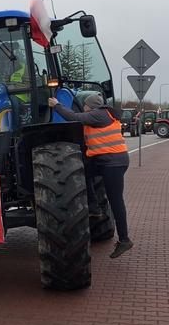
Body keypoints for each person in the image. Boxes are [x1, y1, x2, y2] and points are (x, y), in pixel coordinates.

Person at [48, 91, 133, 259]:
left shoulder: (98, 114)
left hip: (113, 163)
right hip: (106, 161)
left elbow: (73, 116)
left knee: (115, 200)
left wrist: (56, 105)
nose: (84, 107)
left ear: (91, 105)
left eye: (85, 104)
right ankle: (94, 207)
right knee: (82, 170)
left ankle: (124, 239)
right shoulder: (101, 115)